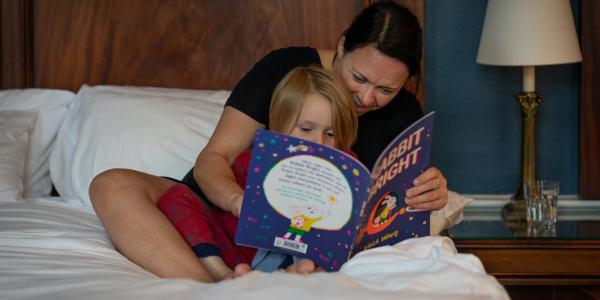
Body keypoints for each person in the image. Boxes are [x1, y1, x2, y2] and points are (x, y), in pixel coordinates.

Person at [90, 1, 449, 282]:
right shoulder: (285, 69)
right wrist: (237, 201)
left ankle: (256, 283)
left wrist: (429, 192)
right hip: (228, 209)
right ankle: (210, 288)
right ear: (342, 47)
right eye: (359, 78)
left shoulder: (404, 113)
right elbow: (214, 157)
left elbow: (391, 206)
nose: (367, 99)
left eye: (386, 89)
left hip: (312, 234)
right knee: (111, 185)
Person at [155, 65, 358, 281]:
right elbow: (226, 213)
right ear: (279, 124)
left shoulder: (347, 164)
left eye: (330, 133)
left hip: (309, 251)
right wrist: (238, 201)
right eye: (306, 129)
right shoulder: (255, 159)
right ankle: (221, 273)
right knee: (176, 197)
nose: (318, 142)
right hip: (242, 253)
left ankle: (295, 272)